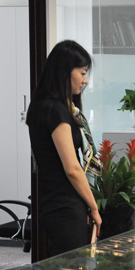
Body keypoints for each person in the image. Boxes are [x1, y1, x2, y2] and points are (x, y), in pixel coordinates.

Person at [26, 40, 102, 256]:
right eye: (82, 73)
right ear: (64, 71)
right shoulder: (56, 110)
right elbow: (72, 168)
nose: (85, 80)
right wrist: (94, 208)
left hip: (54, 200)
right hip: (65, 205)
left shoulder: (42, 106)